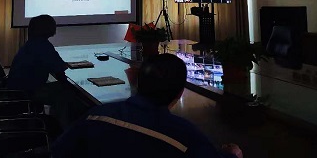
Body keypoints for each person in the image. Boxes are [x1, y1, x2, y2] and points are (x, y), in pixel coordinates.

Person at [51, 54, 243, 158]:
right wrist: (234, 154)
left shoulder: (95, 115)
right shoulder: (184, 134)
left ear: (136, 82)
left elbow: (59, 150)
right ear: (179, 94)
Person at [7, 14, 68, 92]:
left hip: (17, 87)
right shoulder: (43, 46)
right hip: (28, 91)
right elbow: (59, 69)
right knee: (70, 91)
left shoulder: (32, 43)